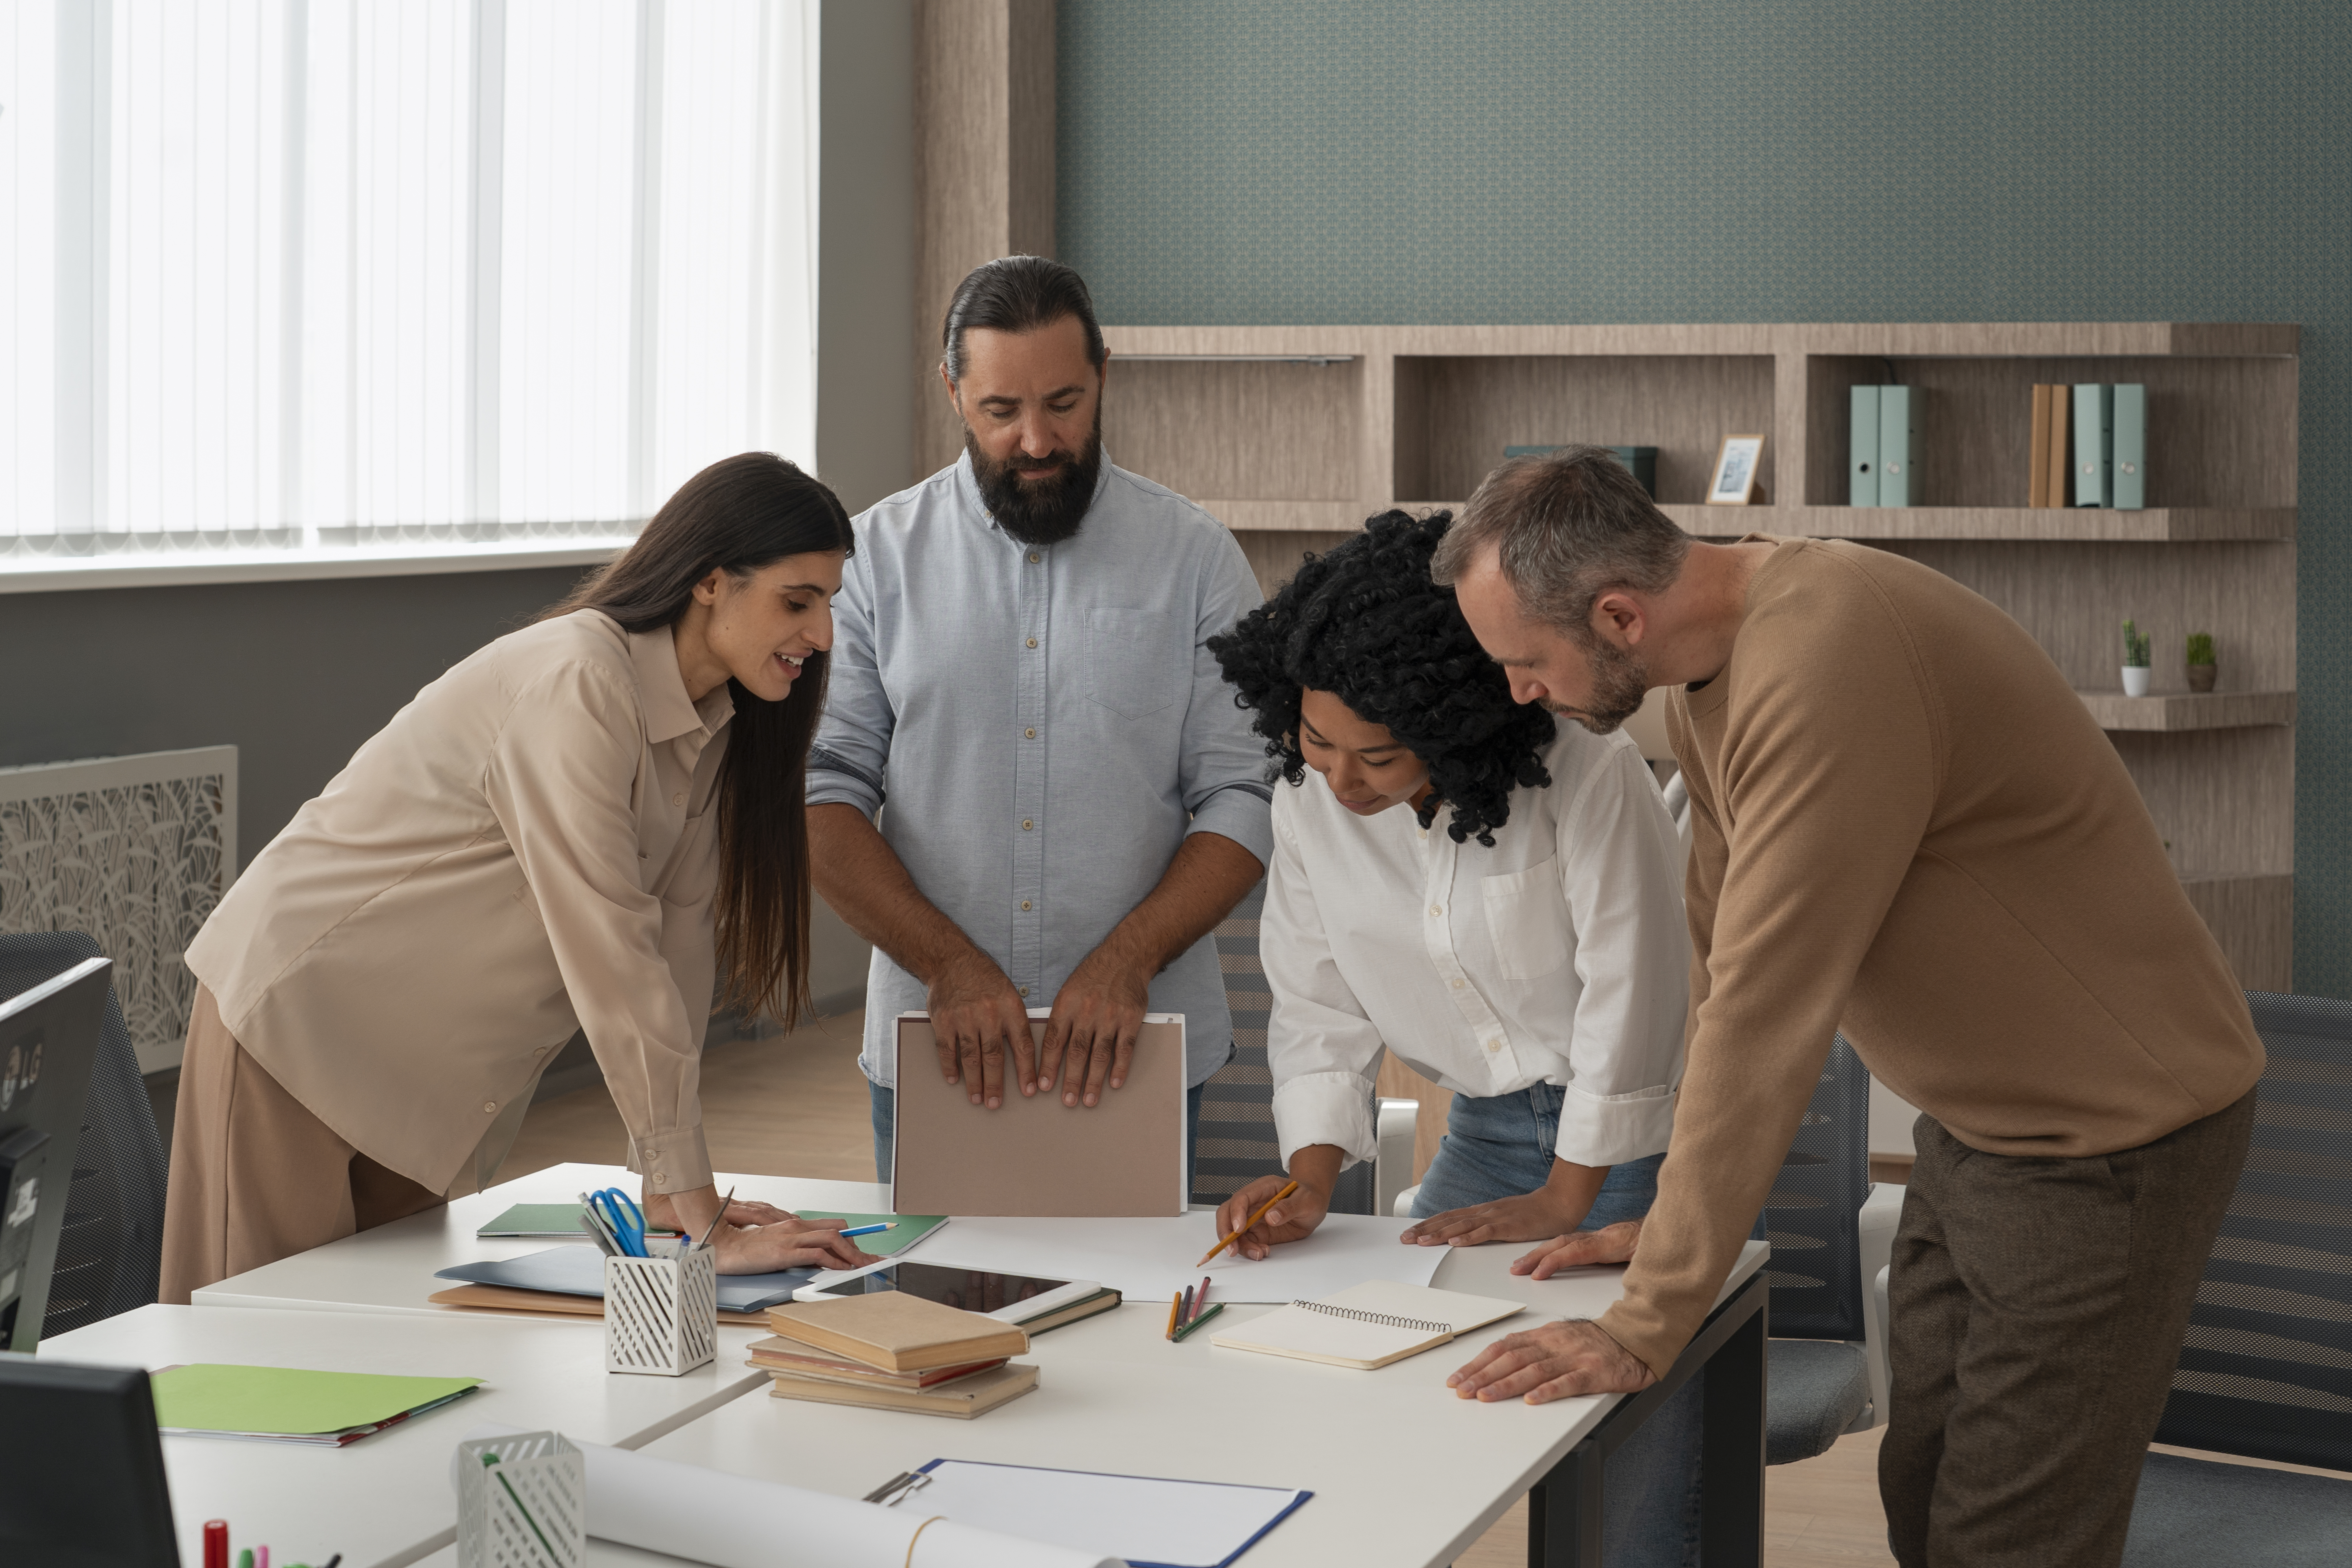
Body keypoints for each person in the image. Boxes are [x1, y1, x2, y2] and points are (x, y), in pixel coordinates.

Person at [1433, 446, 2264, 1568]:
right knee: (1923, 1498)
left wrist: (1650, 1317)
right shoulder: (1715, 669)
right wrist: (1677, 1226)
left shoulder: (1829, 660)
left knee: (2008, 1542)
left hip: (2108, 1141)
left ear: (1619, 616)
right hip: (1983, 1128)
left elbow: (1768, 1010)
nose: (1518, 692)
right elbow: (1719, 958)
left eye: (1525, 662)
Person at [163, 454, 881, 1299]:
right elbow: (611, 946)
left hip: (418, 1077)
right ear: (711, 582)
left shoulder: (712, 719)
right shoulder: (579, 681)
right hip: (301, 1022)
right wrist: (698, 1212)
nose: (822, 635)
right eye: (797, 602)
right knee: (254, 1339)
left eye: (829, 604)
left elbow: (676, 950)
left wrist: (672, 1194)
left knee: (377, 1342)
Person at [1205, 509, 1701, 1568]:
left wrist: (1567, 1196)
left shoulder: (1585, 771)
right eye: (1316, 740)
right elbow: (1317, 1002)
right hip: (1481, 1136)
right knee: (1390, 1406)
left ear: (1454, 722)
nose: (1340, 781)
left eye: (1377, 756)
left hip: (1641, 1154)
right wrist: (1309, 1180)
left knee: (1624, 1461)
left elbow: (1636, 998)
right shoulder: (1309, 801)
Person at [806, 256, 1270, 1183]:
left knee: (1134, 1282)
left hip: (1141, 1040)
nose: (1036, 440)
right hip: (936, 1044)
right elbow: (822, 794)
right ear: (953, 392)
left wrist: (1129, 959)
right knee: (939, 1278)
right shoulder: (872, 561)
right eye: (1000, 410)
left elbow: (1242, 793)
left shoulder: (1197, 560)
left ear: (1103, 376)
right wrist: (948, 967)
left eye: (1064, 403)